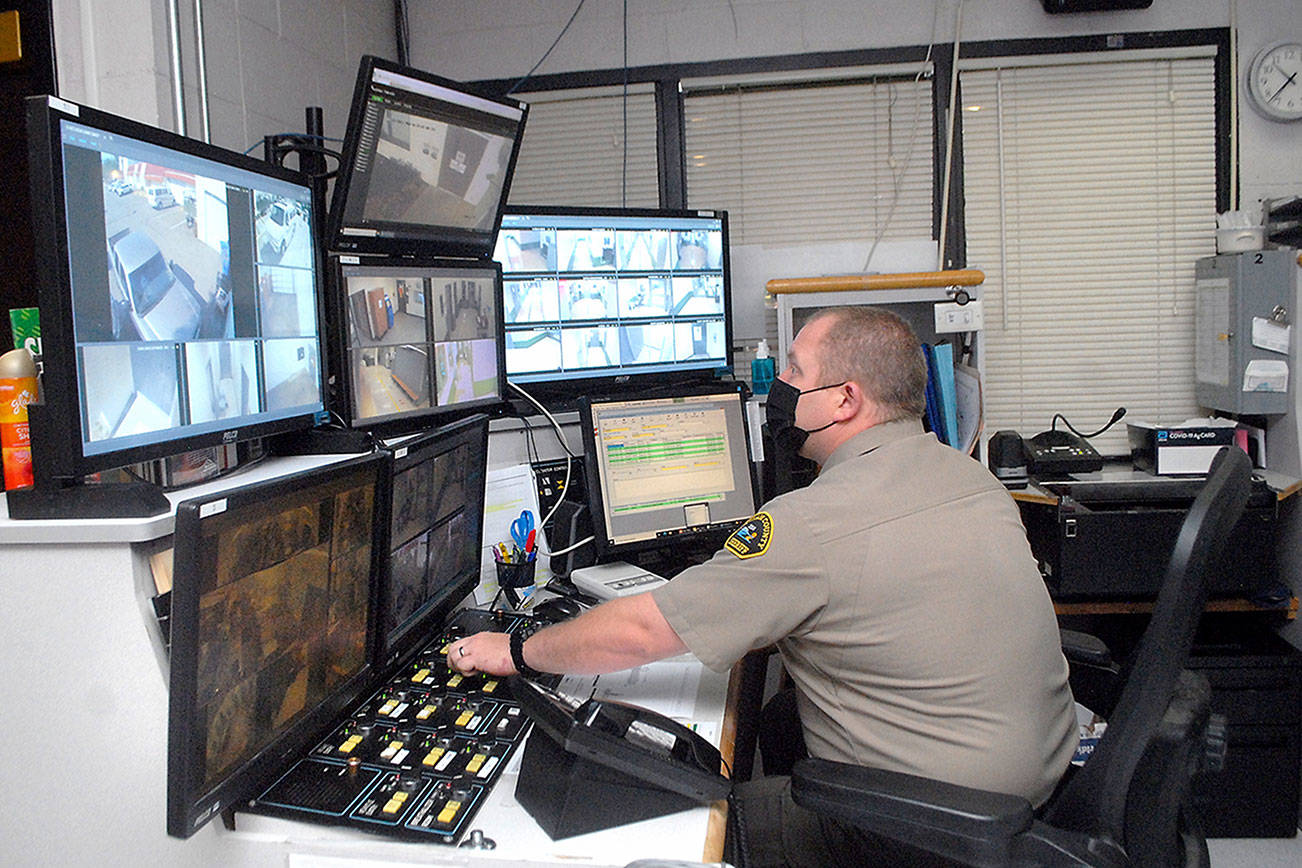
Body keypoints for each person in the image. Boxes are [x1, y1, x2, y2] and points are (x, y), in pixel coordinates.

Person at [447, 306, 1077, 866]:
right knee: (778, 720)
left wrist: (518, 649)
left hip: (927, 832)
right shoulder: (970, 477)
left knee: (703, 822)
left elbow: (643, 632)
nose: (778, 387)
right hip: (1036, 795)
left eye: (795, 372)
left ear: (844, 400)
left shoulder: (813, 522)